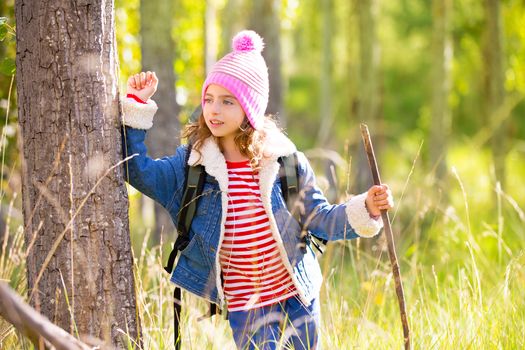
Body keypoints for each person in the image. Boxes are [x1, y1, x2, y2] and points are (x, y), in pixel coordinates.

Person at [121, 30, 393, 350]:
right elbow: (139, 172)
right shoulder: (193, 166)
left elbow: (319, 217)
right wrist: (137, 105)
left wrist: (368, 208)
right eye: (208, 99)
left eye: (227, 101)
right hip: (246, 306)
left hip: (296, 295)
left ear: (250, 108)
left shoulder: (284, 165)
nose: (214, 110)